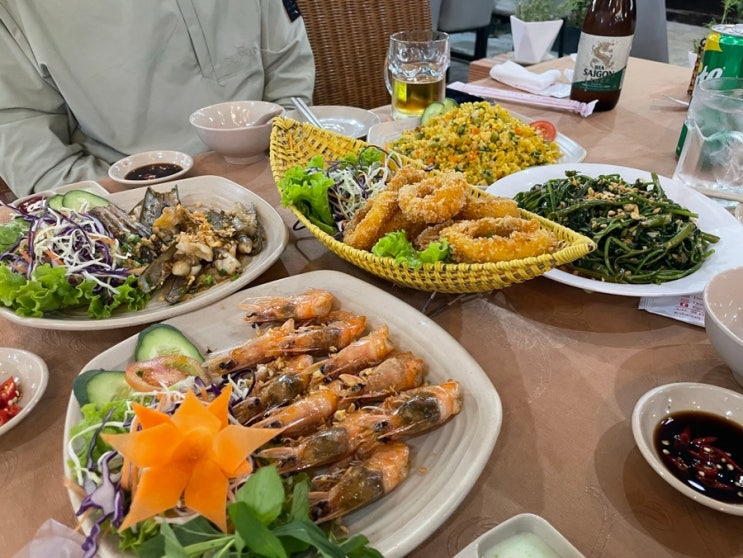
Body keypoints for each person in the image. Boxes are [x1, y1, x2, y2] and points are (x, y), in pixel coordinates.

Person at [0, 0, 315, 197]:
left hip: (280, 177)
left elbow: (287, 67)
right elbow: (29, 147)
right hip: (128, 211)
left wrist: (281, 159)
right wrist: (135, 209)